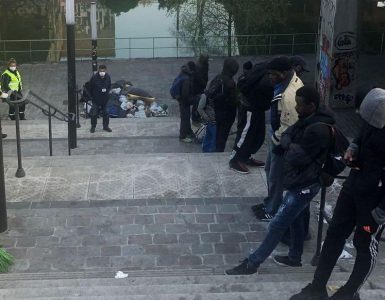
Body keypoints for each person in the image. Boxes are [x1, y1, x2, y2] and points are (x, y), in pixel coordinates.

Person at [225, 85, 334, 275]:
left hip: (306, 184)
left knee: (277, 224)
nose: (296, 109)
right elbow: (287, 134)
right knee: (297, 219)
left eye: (300, 105)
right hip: (302, 180)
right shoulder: (307, 119)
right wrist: (289, 143)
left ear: (312, 105)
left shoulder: (318, 130)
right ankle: (294, 258)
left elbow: (296, 156)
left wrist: (288, 145)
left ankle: (253, 263)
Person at [290, 88, 385, 300]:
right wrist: (352, 149)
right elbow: (360, 137)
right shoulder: (372, 121)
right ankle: (317, 286)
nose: (365, 120)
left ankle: (349, 292)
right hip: (354, 186)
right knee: (334, 234)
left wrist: (382, 210)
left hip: (374, 201)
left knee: (365, 245)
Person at [253, 56, 303, 221]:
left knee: (276, 176)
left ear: (283, 73)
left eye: (273, 74)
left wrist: (277, 142)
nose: (270, 78)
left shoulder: (288, 97)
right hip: (276, 134)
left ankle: (273, 209)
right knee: (269, 169)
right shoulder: (286, 83)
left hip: (280, 141)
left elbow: (289, 126)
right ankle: (270, 202)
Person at [229, 60, 273, 174]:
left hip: (257, 109)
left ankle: (245, 156)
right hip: (251, 109)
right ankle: (234, 160)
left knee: (257, 134)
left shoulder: (264, 73)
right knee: (245, 133)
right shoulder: (266, 79)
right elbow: (266, 89)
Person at [214, 58, 239, 152]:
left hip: (216, 112)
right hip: (227, 114)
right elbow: (234, 100)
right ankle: (218, 152)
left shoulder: (217, 78)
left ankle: (216, 151)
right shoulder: (230, 82)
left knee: (218, 136)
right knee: (222, 137)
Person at [89, 65, 112, 133]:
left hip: (105, 99)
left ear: (106, 70)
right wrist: (92, 97)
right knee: (94, 113)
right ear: (98, 70)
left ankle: (106, 126)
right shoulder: (94, 78)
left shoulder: (108, 77)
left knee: (106, 113)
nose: (102, 72)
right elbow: (90, 88)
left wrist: (106, 92)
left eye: (103, 71)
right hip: (96, 99)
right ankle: (93, 127)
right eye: (101, 71)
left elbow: (109, 86)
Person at [178, 63, 196, 143]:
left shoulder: (183, 73)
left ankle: (188, 132)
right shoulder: (186, 79)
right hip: (184, 101)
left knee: (185, 117)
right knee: (185, 118)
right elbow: (185, 93)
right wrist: (190, 100)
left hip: (181, 100)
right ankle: (183, 136)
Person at [191, 54, 209, 126]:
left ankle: (197, 118)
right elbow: (199, 78)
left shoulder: (204, 65)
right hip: (197, 88)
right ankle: (195, 119)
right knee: (197, 103)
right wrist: (204, 83)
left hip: (200, 87)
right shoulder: (199, 66)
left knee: (200, 102)